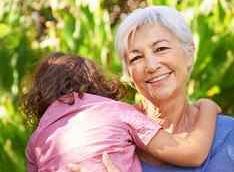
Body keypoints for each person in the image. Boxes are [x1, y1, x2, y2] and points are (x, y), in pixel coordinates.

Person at [22, 52, 219, 172]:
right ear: (97, 83)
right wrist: (208, 108)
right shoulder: (118, 112)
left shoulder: (36, 140)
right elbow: (192, 153)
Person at [109, 5, 234, 172]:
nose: (151, 66)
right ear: (129, 74)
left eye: (161, 49)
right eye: (136, 58)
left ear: (189, 54)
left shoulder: (230, 135)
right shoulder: (116, 139)